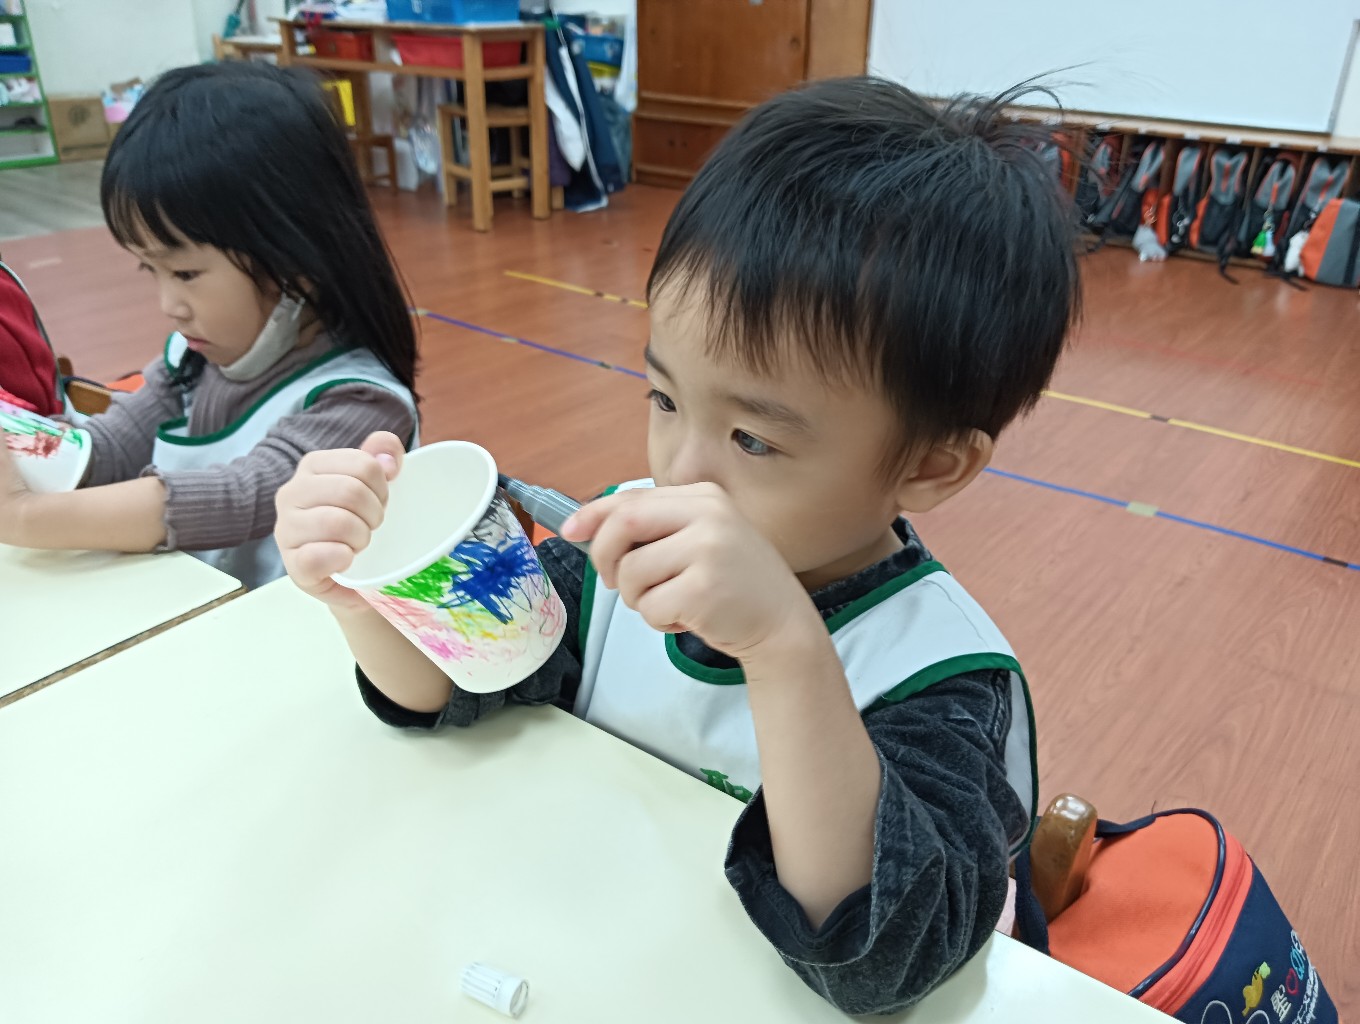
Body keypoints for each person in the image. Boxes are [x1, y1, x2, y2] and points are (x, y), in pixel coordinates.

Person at [274, 78, 1079, 1013]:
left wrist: (782, 646)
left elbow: (880, 961)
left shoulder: (940, 676)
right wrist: (366, 596)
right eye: (664, 399)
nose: (681, 473)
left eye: (753, 440)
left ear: (932, 465)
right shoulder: (622, 554)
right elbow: (471, 686)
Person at [0, 62, 418, 589]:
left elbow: (242, 497)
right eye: (150, 270)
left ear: (295, 258)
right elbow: (106, 448)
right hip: (195, 602)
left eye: (185, 274)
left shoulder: (359, 402)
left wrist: (22, 517)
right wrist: (25, 443)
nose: (168, 305)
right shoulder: (194, 358)